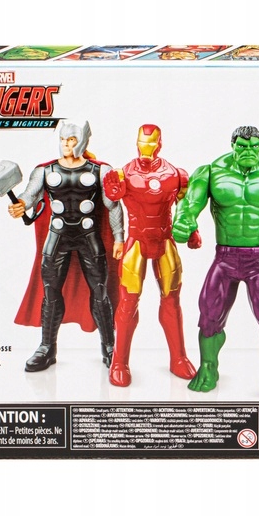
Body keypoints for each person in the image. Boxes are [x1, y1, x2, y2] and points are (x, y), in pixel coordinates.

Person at [172, 125, 259, 400]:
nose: (248, 151)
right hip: (225, 257)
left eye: (254, 146)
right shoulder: (211, 172)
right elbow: (190, 204)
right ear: (233, 145)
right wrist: (184, 220)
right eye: (242, 146)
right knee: (209, 314)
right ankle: (208, 367)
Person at [9, 121, 124, 372]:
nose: (67, 145)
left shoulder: (101, 171)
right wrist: (21, 205)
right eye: (63, 139)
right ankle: (47, 348)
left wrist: (119, 238)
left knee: (100, 291)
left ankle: (109, 346)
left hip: (89, 236)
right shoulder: (45, 171)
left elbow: (113, 205)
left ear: (82, 141)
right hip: (57, 237)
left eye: (72, 140)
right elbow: (31, 194)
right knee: (50, 292)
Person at [103, 124, 200, 387]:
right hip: (136, 242)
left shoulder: (176, 175)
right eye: (142, 143)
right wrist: (117, 237)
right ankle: (119, 362)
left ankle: (178, 358)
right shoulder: (123, 174)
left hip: (165, 240)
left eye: (151, 144)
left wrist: (192, 231)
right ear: (137, 143)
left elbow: (185, 208)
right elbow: (112, 208)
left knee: (172, 300)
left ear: (160, 144)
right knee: (128, 302)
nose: (145, 149)